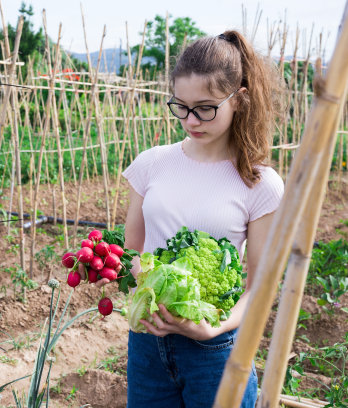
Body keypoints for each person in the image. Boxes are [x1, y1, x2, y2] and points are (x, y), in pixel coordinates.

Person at [121, 30, 285, 407]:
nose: (191, 119)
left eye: (205, 108)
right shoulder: (151, 164)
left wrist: (210, 328)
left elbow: (260, 287)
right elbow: (132, 251)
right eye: (181, 106)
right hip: (148, 344)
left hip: (215, 352)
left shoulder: (260, 183)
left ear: (238, 100)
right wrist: (144, 294)